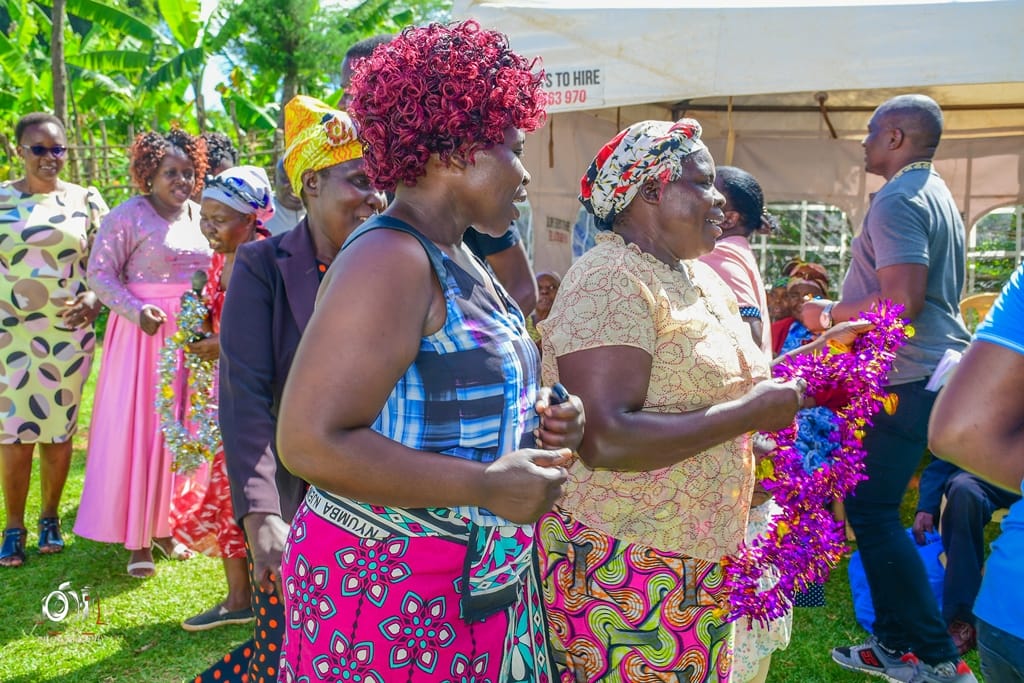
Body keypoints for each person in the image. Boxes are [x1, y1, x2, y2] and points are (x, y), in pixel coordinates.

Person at [276, 22, 583, 682]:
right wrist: (483, 484)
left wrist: (546, 417)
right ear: (452, 152)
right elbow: (307, 442)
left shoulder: (460, 253)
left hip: (470, 577)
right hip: (387, 595)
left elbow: (453, 391)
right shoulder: (389, 258)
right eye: (513, 149)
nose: (526, 173)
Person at [537, 118, 806, 682]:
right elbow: (605, 438)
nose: (720, 201)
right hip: (623, 564)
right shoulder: (610, 278)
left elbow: (720, 391)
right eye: (703, 183)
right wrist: (749, 415)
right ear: (652, 190)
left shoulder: (699, 279)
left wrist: (754, 430)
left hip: (700, 558)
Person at [205, 95, 386, 683]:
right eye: (360, 181)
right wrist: (261, 517)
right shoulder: (263, 266)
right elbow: (246, 397)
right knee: (299, 647)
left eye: (381, 183)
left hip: (394, 494)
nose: (376, 198)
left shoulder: (398, 262)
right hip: (302, 502)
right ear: (311, 184)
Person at [799, 94, 976, 683]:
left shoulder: (899, 198)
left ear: (896, 137)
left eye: (872, 131)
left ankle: (938, 658)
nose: (864, 142)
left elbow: (901, 302)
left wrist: (828, 313)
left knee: (871, 510)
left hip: (905, 374)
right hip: (927, 370)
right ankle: (895, 645)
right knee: (872, 508)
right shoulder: (934, 191)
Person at [75, 128, 210, 578]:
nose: (181, 181)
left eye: (188, 172)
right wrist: (135, 310)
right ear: (149, 174)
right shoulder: (127, 216)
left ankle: (168, 527)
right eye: (171, 172)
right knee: (145, 430)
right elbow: (100, 274)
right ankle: (137, 541)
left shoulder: (199, 215)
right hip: (143, 337)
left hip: (190, 337)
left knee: (181, 429)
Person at [341, 32, 539, 315]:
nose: (346, 104)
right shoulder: (388, 253)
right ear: (458, 150)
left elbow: (522, 287)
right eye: (517, 151)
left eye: (352, 91)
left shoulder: (457, 248)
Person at [169, 165, 277, 632]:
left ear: (252, 218)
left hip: (259, 401)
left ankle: (253, 597)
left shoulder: (266, 260)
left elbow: (276, 333)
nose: (208, 228)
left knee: (245, 492)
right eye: (205, 218)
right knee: (228, 493)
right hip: (225, 395)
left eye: (219, 219)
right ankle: (242, 597)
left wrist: (222, 343)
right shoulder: (220, 260)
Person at [0, 112, 109, 567]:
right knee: (11, 432)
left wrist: (95, 298)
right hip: (8, 335)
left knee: (58, 429)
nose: (50, 157)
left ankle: (49, 518)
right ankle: (13, 526)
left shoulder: (86, 199)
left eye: (58, 149)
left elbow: (106, 265)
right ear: (18, 150)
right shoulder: (1, 199)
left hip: (65, 332)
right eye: (39, 149)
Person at [699, 166, 792, 683]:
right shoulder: (733, 252)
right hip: (748, 434)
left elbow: (747, 336)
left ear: (730, 215)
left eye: (709, 191)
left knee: (736, 602)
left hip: (739, 440)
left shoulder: (720, 256)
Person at [929, 263, 1024, 683]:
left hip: (1010, 611)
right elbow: (961, 435)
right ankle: (959, 615)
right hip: (1003, 461)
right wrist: (927, 505)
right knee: (964, 488)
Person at [913, 457, 1020, 654]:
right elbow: (947, 454)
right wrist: (927, 505)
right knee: (964, 488)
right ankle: (962, 618)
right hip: (997, 475)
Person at [263, 159, 305, 236]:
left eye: (300, 179)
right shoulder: (261, 214)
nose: (294, 186)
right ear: (275, 180)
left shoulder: (321, 211)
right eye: (287, 180)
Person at [526, 270, 560, 346]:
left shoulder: (566, 326)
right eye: (539, 288)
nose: (544, 291)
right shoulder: (522, 325)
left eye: (551, 287)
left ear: (561, 292)